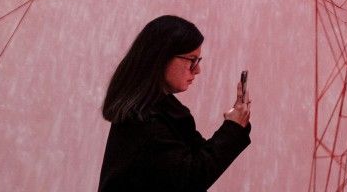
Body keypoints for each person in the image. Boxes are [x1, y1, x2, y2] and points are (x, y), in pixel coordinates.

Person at [98, 15, 252, 191]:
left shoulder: (158, 110)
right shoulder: (145, 120)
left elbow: (199, 158)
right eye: (191, 60)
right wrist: (232, 128)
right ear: (162, 57)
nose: (197, 69)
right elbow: (190, 179)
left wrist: (235, 125)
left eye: (198, 61)